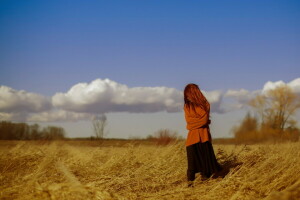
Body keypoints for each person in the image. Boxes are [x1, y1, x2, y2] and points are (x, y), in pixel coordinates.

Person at [183, 83, 221, 186]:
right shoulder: (187, 106)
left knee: (206, 168)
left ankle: (205, 190)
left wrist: (198, 122)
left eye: (188, 94)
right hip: (192, 139)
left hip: (204, 138)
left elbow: (203, 120)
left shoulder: (205, 104)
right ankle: (188, 189)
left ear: (193, 93)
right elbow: (189, 123)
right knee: (191, 167)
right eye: (186, 95)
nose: (187, 97)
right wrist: (201, 122)